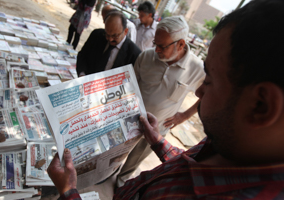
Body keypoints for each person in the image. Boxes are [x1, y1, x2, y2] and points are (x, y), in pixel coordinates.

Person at [48, 0, 284, 198]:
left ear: (261, 105)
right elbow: (186, 165)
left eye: (209, 80)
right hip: (140, 124)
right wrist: (158, 142)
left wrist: (69, 192)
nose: (200, 93)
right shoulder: (219, 144)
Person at [116, 15, 205, 186]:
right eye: (155, 44)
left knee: (134, 160)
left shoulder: (196, 69)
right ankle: (108, 173)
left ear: (181, 44)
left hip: (158, 129)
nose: (156, 50)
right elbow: (130, 86)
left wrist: (185, 115)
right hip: (130, 120)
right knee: (116, 152)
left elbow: (207, 94)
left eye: (161, 46)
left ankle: (121, 182)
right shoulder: (146, 57)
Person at [76, 11, 141, 77]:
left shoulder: (134, 54)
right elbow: (82, 56)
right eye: (107, 34)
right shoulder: (96, 35)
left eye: (115, 36)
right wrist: (82, 74)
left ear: (125, 31)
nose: (110, 39)